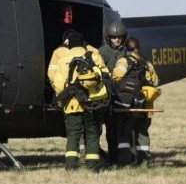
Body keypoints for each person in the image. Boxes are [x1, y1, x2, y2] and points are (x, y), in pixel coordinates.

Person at [51, 30, 110, 172]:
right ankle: (93, 165)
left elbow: (58, 85)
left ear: (69, 44)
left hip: (72, 104)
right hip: (93, 103)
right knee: (92, 134)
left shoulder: (63, 60)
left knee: (73, 135)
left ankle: (71, 166)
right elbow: (105, 77)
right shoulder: (94, 56)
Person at [112, 36, 160, 167]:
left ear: (126, 48)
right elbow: (156, 81)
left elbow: (115, 77)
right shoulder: (146, 62)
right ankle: (144, 162)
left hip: (127, 106)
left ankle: (125, 162)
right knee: (142, 133)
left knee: (124, 134)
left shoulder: (124, 61)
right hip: (145, 106)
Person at [99, 21, 128, 166]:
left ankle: (120, 158)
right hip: (107, 95)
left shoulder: (126, 52)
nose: (117, 39)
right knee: (107, 129)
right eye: (113, 37)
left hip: (123, 95)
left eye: (119, 37)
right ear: (108, 38)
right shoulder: (102, 52)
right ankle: (108, 157)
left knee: (119, 130)